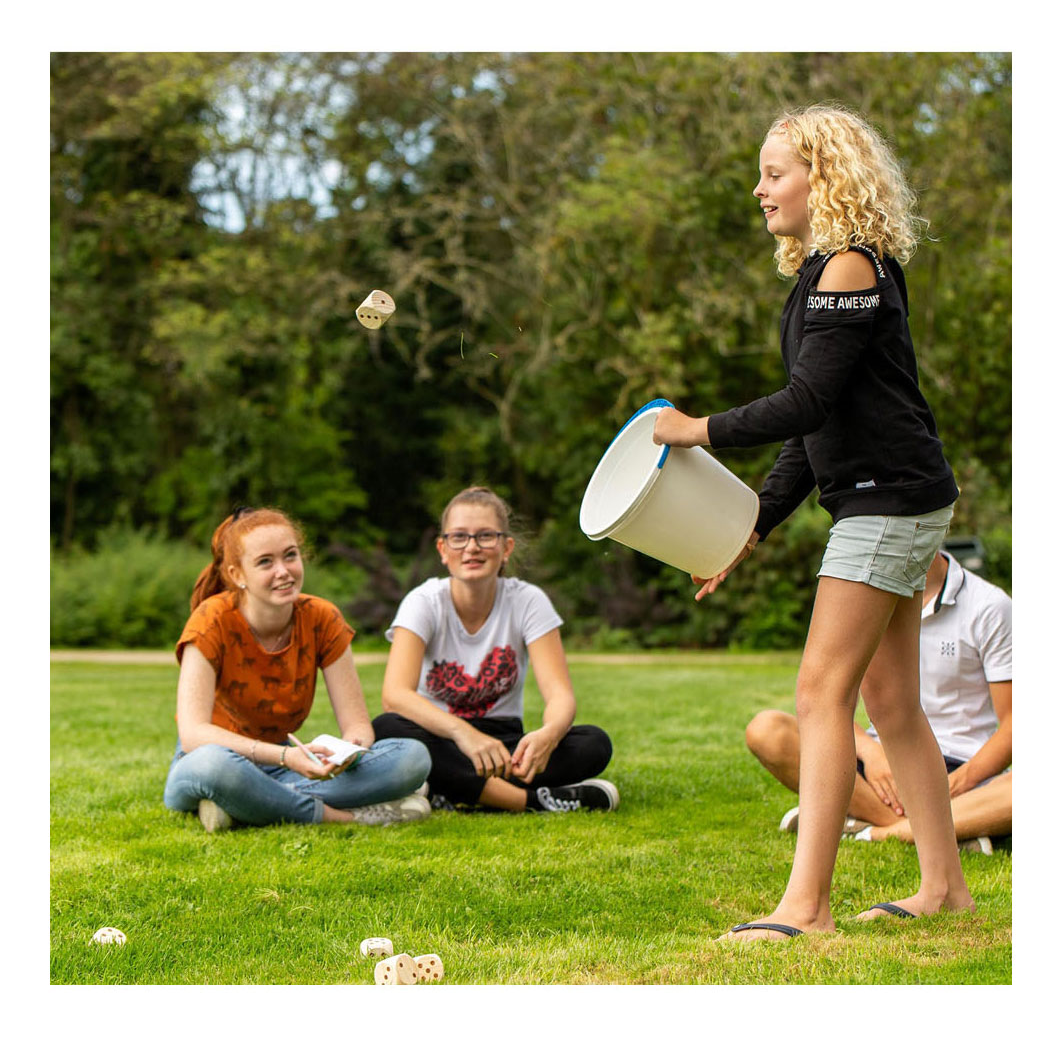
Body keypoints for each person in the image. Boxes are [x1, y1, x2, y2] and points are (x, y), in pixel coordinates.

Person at [652, 104, 975, 940]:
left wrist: (698, 429)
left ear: (822, 177)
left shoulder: (850, 269)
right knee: (890, 700)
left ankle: (808, 906)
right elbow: (814, 426)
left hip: (886, 500)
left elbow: (804, 401)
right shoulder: (822, 273)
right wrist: (746, 529)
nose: (759, 190)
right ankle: (944, 888)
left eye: (775, 172)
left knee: (820, 693)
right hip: (894, 493)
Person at [163, 506, 432, 832]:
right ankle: (343, 816)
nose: (283, 571)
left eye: (290, 556)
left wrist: (345, 754)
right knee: (214, 767)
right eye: (265, 562)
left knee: (412, 758)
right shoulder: (211, 620)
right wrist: (285, 757)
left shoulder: (322, 618)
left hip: (284, 767)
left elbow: (358, 725)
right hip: (213, 761)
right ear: (237, 575)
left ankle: (246, 804)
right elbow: (193, 736)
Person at [745, 550, 1012, 851]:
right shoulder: (858, 601)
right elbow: (828, 702)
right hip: (883, 769)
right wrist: (872, 754)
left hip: (964, 773)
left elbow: (1014, 722)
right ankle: (949, 832)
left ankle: (876, 831)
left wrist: (957, 783)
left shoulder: (990, 606)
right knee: (767, 730)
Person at [372, 486, 618, 813]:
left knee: (593, 744)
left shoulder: (528, 601)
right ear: (443, 549)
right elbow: (395, 695)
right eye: (459, 537)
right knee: (386, 729)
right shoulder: (424, 602)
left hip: (505, 748)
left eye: (486, 536)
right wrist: (464, 734)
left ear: (506, 548)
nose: (472, 547)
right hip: (442, 736)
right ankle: (528, 802)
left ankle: (448, 790)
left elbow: (560, 696)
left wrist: (549, 735)